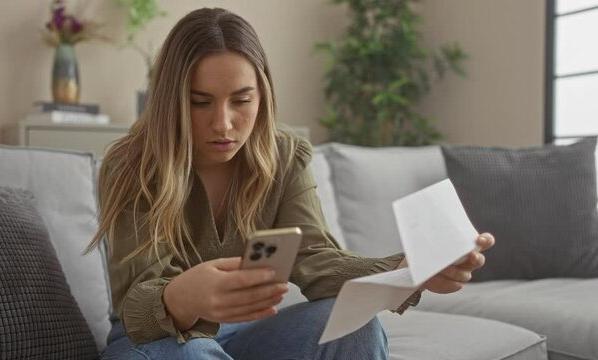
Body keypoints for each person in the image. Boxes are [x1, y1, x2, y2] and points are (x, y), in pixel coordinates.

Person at [85, 7, 495, 360]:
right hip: (158, 341)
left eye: (241, 100)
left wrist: (406, 271)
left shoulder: (285, 156)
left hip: (245, 333)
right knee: (194, 352)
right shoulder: (132, 163)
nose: (223, 123)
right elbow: (136, 307)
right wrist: (184, 295)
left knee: (356, 328)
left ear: (262, 95)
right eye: (200, 102)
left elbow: (316, 262)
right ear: (172, 99)